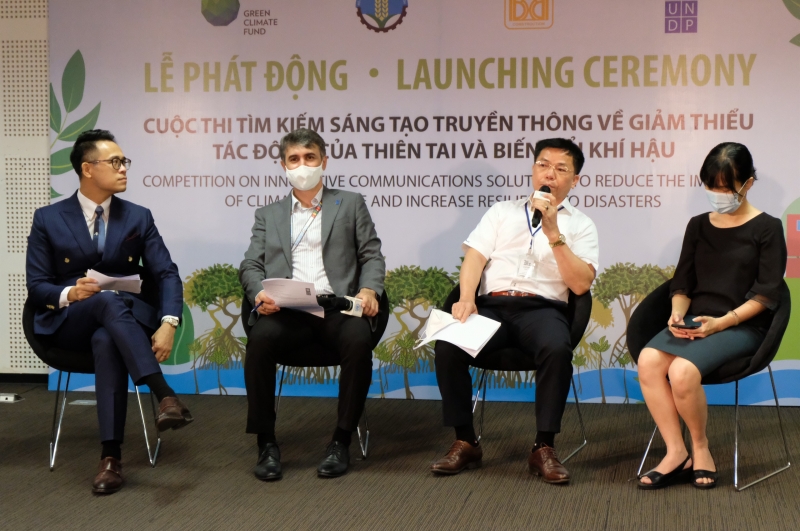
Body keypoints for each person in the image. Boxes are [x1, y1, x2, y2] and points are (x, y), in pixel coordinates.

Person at [26, 129, 193, 495]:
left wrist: (169, 322)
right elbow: (37, 286)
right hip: (69, 322)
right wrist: (71, 292)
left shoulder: (138, 217)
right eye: (115, 162)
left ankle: (111, 458)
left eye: (124, 161)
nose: (123, 168)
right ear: (88, 169)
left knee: (107, 338)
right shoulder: (48, 218)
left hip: (122, 322)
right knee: (103, 299)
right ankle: (164, 393)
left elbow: (166, 273)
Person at [431, 138, 598, 484]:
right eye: (543, 165)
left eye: (560, 169)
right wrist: (467, 297)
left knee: (557, 348)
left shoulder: (582, 225)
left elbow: (581, 285)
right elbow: (475, 257)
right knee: (448, 344)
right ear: (533, 170)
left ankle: (543, 447)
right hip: (492, 306)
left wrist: (554, 233)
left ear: (575, 180)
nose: (549, 174)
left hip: (542, 310)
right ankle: (465, 440)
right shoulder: (501, 212)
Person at [636, 142, 787, 490]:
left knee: (682, 371)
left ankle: (700, 447)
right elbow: (682, 283)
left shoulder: (767, 228)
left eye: (725, 188)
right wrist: (677, 314)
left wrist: (722, 322)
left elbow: (767, 294)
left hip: (743, 324)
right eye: (710, 187)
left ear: (748, 184)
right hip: (697, 320)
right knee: (648, 361)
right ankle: (677, 452)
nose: (717, 195)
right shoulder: (698, 225)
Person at [240, 128, 385, 480]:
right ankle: (266, 442)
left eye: (309, 157)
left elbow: (372, 255)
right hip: (287, 310)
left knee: (358, 341)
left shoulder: (349, 203)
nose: (302, 165)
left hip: (337, 307)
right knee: (260, 342)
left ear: (324, 162)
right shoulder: (268, 214)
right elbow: (251, 265)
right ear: (283, 165)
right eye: (294, 159)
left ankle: (341, 440)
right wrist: (258, 293)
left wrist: (369, 290)